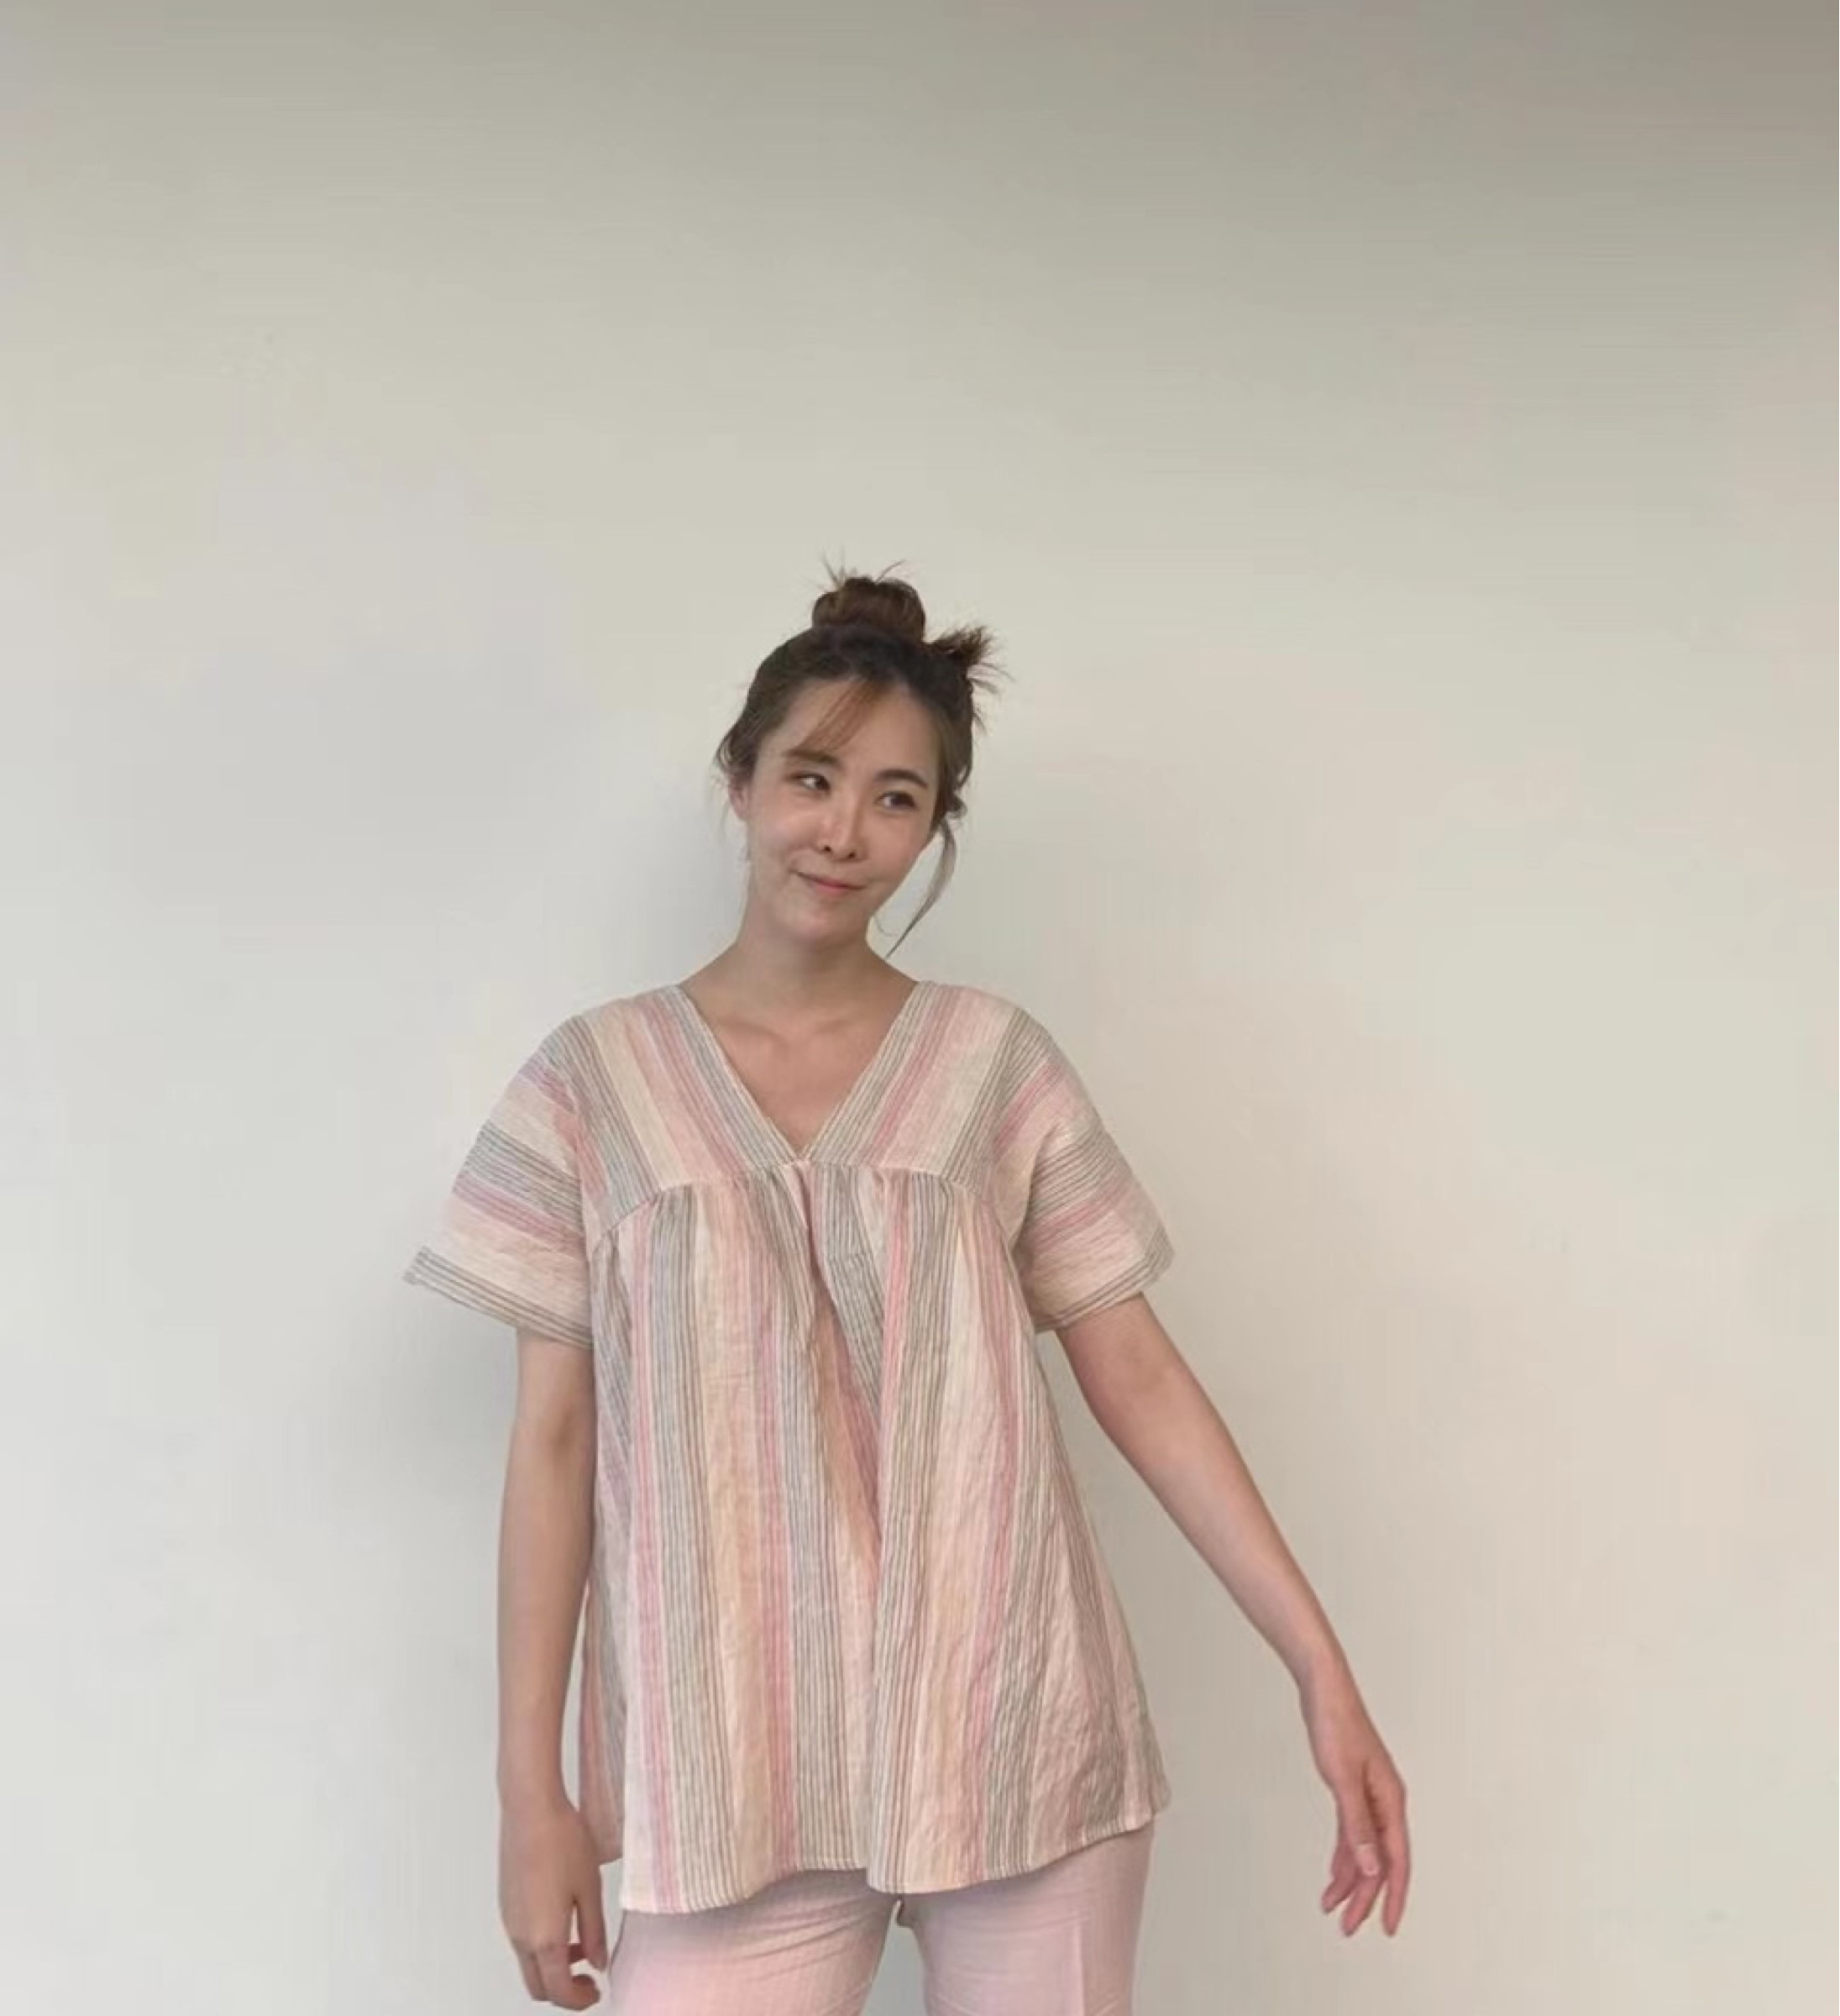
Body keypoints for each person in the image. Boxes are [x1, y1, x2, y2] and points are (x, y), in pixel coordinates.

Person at [402, 564, 1411, 2013]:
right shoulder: (592, 1084)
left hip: (1018, 1736)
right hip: (736, 1767)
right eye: (812, 779)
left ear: (935, 827)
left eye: (896, 798)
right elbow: (552, 1443)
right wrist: (530, 1795)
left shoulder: (994, 1066)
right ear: (741, 779)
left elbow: (1138, 1376)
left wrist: (1320, 1669)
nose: (843, 832)